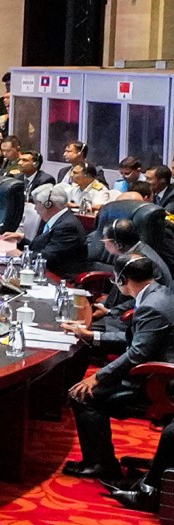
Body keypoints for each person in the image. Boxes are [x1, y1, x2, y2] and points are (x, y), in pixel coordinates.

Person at [68, 254, 174, 488]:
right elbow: (140, 342)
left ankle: (100, 464)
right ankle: (100, 461)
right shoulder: (160, 293)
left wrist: (98, 376)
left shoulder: (151, 307)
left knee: (82, 394)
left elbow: (137, 354)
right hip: (156, 371)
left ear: (122, 279)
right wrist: (93, 336)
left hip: (158, 381)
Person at [17, 182, 90, 279]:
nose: (35, 208)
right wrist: (22, 240)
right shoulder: (56, 220)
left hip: (60, 278)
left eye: (37, 204)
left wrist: (21, 255)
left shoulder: (68, 227)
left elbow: (48, 257)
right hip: (44, 272)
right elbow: (45, 246)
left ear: (48, 204)